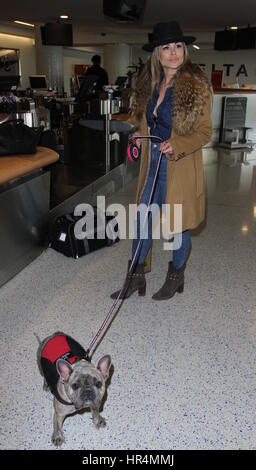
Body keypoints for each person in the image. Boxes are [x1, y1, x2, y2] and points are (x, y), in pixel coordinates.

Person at [111, 21, 213, 301]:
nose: (174, 53)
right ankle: (135, 278)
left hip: (177, 165)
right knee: (142, 220)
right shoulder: (148, 84)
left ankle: (176, 276)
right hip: (152, 162)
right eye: (166, 47)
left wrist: (177, 144)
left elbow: (205, 132)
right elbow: (145, 122)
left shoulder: (197, 86)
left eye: (178, 46)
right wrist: (136, 134)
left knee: (178, 226)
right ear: (156, 52)